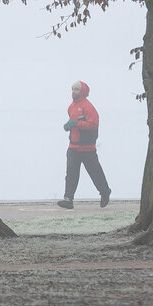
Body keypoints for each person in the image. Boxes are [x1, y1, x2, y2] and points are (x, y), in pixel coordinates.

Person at [58, 80, 111, 209]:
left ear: (82, 92)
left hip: (88, 149)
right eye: (72, 89)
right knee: (71, 174)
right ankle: (68, 199)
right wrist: (69, 125)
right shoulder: (71, 107)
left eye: (76, 89)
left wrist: (76, 124)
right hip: (73, 147)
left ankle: (105, 192)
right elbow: (73, 122)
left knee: (95, 173)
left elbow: (94, 125)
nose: (73, 92)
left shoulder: (88, 107)